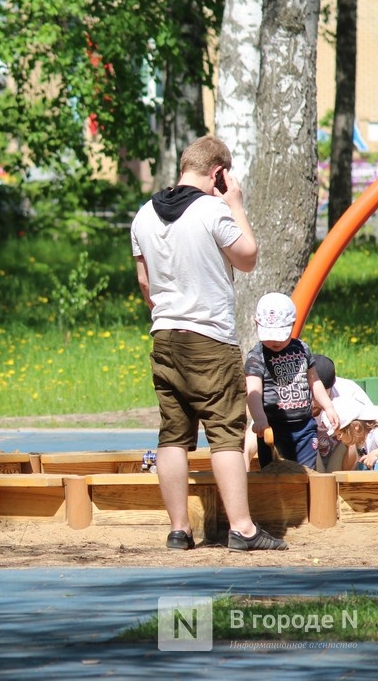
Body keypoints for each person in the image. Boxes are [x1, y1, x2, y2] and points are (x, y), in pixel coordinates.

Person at [131, 134, 287, 552]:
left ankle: (180, 530)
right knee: (225, 434)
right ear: (218, 173)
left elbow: (145, 284)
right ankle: (243, 529)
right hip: (209, 339)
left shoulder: (144, 215)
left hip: (164, 337)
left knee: (173, 436)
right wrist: (235, 205)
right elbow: (248, 256)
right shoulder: (214, 210)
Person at [245, 292, 338, 470]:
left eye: (280, 335)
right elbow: (253, 390)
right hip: (273, 427)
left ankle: (304, 498)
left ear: (292, 324)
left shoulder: (302, 349)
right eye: (269, 336)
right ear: (257, 324)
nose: (274, 342)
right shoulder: (256, 356)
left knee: (306, 472)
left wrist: (328, 406)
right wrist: (259, 417)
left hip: (304, 426)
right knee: (274, 472)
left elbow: (314, 381)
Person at [312, 354, 378, 471]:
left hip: (345, 440)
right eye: (312, 393)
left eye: (321, 393)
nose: (315, 399)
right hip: (314, 446)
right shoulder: (296, 396)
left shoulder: (346, 391)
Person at [315, 395, 378, 472]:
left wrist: (375, 454)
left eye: (339, 434)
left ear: (356, 427)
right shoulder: (360, 443)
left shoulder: (377, 434)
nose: (338, 438)